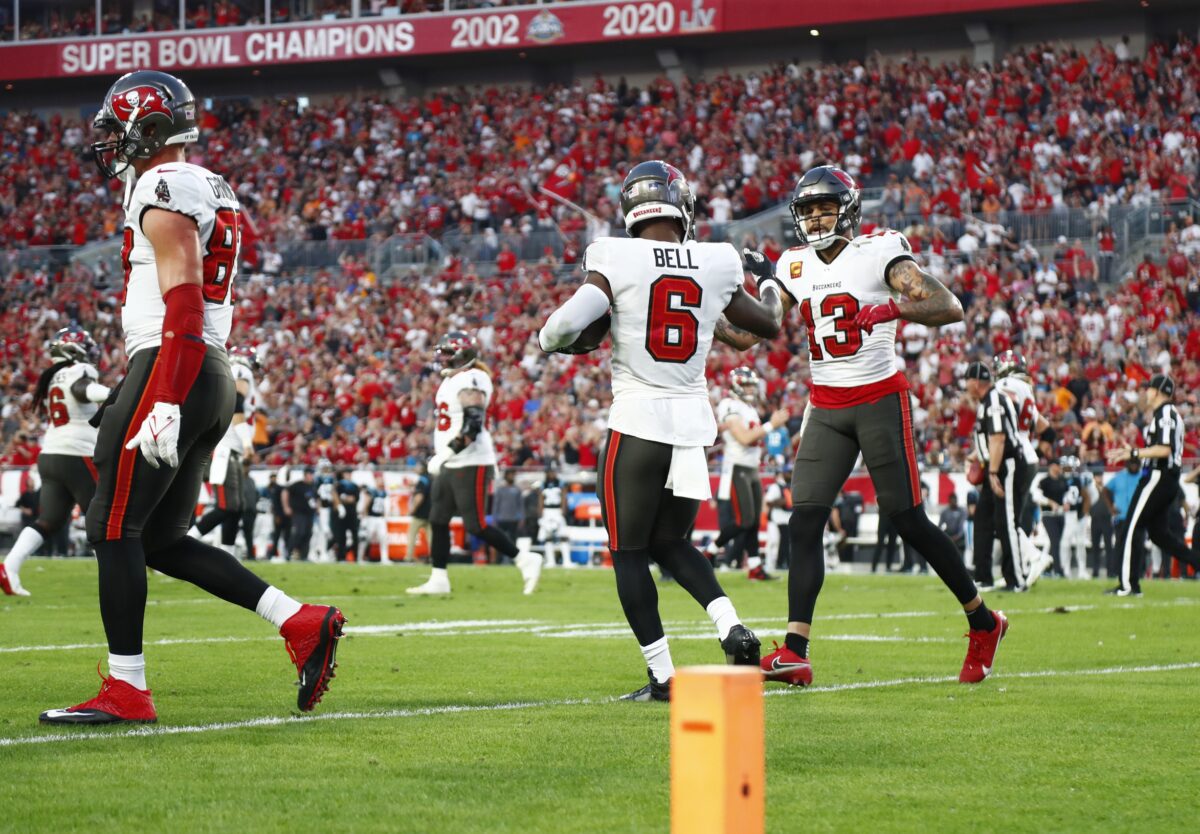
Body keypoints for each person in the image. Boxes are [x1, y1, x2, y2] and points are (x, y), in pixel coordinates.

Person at [40, 71, 343, 726]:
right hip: (209, 369)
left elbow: (181, 298)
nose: (107, 140)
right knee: (161, 538)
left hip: (175, 362)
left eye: (116, 126)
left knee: (111, 525)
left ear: (145, 128)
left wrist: (164, 399)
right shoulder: (209, 184)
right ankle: (300, 620)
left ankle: (126, 689)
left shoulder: (161, 184)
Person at [716, 165, 1006, 686]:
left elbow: (948, 305)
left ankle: (983, 620)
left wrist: (891, 307)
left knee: (908, 520)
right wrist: (717, 309)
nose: (816, 217)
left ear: (847, 208)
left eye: (824, 206)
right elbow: (755, 331)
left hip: (878, 398)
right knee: (804, 520)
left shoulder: (877, 251)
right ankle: (797, 651)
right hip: (826, 405)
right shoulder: (794, 263)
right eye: (807, 210)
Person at [538, 159, 784, 700]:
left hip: (638, 421)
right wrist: (768, 279)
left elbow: (564, 324)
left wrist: (549, 341)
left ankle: (664, 676)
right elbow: (766, 324)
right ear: (682, 205)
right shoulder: (716, 260)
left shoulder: (612, 254)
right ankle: (731, 626)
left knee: (628, 551)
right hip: (692, 423)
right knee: (672, 541)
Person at [406, 332, 542, 595]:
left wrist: (444, 455)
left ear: (463, 355)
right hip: (452, 460)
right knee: (438, 518)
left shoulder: (472, 378)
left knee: (475, 524)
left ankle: (524, 559)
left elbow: (472, 426)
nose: (442, 357)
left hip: (471, 460)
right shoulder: (453, 379)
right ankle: (439, 578)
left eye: (448, 353)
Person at [1, 327, 109, 597]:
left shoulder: (51, 377)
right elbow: (82, 389)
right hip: (77, 453)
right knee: (104, 518)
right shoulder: (79, 371)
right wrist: (116, 394)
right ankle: (116, 578)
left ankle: (10, 567)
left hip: (51, 454)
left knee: (49, 520)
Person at [1105, 375, 1200, 595]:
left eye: (1149, 388)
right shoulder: (1167, 413)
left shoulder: (1165, 413)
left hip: (1159, 475)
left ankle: (1128, 586)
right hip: (1165, 477)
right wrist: (1135, 453)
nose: (1146, 392)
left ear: (1157, 391)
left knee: (1131, 526)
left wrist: (1134, 453)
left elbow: (1164, 449)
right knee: (1159, 535)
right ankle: (1196, 561)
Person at [709, 366, 788, 579]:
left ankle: (754, 567)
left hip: (751, 467)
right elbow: (744, 438)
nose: (751, 389)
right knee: (744, 520)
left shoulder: (748, 408)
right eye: (746, 385)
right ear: (736, 385)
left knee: (753, 521)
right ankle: (710, 550)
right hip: (737, 467)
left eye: (752, 385)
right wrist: (771, 425)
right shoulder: (729, 404)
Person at [992, 350, 1055, 582]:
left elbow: (1002, 416)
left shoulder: (1006, 385)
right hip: (1026, 455)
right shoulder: (1026, 388)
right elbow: (1047, 429)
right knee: (1008, 518)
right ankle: (1019, 568)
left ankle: (1032, 556)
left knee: (1005, 520)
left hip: (1013, 455)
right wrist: (1036, 451)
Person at [188, 344, 257, 555]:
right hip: (226, 449)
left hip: (229, 450)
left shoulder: (227, 371)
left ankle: (228, 556)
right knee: (226, 506)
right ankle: (181, 546)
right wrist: (247, 443)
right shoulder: (240, 371)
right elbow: (236, 405)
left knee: (236, 507)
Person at [967, 362, 1029, 593]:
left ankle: (1016, 579)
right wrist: (976, 457)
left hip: (1006, 466)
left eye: (967, 382)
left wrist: (992, 472)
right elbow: (990, 439)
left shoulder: (993, 401)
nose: (966, 387)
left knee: (1006, 522)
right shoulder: (988, 401)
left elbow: (999, 438)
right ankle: (983, 576)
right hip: (994, 465)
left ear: (974, 382)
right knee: (982, 519)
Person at [1059, 456, 1096, 579]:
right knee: (1065, 543)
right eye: (1064, 467)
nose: (1066, 470)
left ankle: (1082, 570)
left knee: (1080, 543)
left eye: (1068, 467)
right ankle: (1066, 570)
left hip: (1078, 514)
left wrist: (1084, 513)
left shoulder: (1080, 479)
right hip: (1067, 515)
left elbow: (1087, 496)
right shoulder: (1060, 479)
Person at [1037, 460, 1069, 577]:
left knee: (1056, 542)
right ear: (1052, 466)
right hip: (1048, 514)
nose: (1059, 468)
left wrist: (1067, 503)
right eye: (1057, 465)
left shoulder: (1062, 480)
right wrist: (1050, 503)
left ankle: (1047, 568)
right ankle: (1058, 570)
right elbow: (1037, 496)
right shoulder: (1044, 481)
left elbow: (1067, 495)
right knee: (1055, 541)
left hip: (1060, 514)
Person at [282, 467, 318, 561]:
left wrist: (318, 508)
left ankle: (304, 556)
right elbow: (285, 492)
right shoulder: (297, 485)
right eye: (309, 474)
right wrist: (286, 507)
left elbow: (316, 498)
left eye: (312, 475)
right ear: (305, 475)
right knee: (299, 532)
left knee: (308, 534)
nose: (311, 477)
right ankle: (288, 553)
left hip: (309, 514)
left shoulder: (313, 486)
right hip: (298, 513)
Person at [537, 466, 568, 568]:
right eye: (550, 472)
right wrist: (541, 513)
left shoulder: (560, 483)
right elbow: (541, 498)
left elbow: (564, 496)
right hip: (547, 510)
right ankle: (551, 561)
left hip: (557, 510)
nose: (552, 474)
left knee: (563, 535)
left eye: (554, 472)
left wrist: (563, 510)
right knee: (548, 536)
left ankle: (566, 561)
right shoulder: (543, 484)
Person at [491, 469, 525, 563]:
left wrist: (521, 518)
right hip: (502, 519)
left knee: (513, 540)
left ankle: (510, 560)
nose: (512, 477)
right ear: (505, 476)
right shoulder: (500, 489)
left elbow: (520, 505)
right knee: (501, 540)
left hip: (513, 519)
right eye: (510, 475)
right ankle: (500, 560)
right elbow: (496, 504)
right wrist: (494, 518)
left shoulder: (517, 490)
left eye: (513, 475)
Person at [359, 470, 390, 563]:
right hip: (371, 517)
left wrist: (384, 514)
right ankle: (360, 557)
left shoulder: (383, 492)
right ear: (376, 480)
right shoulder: (371, 491)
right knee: (366, 538)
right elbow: (366, 503)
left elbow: (383, 504)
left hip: (380, 518)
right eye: (379, 479)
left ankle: (384, 558)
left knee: (383, 537)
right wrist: (364, 516)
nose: (381, 481)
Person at [763, 469, 792, 572]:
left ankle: (785, 562)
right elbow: (768, 502)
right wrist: (782, 501)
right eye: (788, 472)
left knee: (786, 541)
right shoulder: (776, 487)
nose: (790, 475)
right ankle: (780, 563)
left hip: (789, 517)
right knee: (778, 541)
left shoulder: (791, 486)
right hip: (779, 517)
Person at [330, 467, 361, 562]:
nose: (348, 475)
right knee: (341, 536)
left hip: (352, 513)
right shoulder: (338, 485)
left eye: (349, 473)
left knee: (355, 535)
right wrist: (346, 499)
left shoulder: (354, 486)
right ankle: (341, 557)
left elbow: (354, 499)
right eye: (347, 473)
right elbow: (337, 497)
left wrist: (345, 498)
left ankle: (355, 557)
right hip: (341, 514)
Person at [1089, 470, 1114, 579]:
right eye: (1097, 477)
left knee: (1109, 547)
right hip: (1095, 520)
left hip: (1107, 520)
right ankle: (1095, 570)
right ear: (1094, 478)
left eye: (1100, 476)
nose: (1099, 479)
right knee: (1095, 547)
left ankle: (1110, 570)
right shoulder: (1090, 490)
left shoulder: (1107, 490)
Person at [405, 461, 431, 562]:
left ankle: (409, 557)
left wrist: (412, 510)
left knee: (411, 535)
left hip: (420, 513)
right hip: (430, 512)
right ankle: (434, 556)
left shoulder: (422, 480)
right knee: (431, 538)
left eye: (417, 466)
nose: (415, 468)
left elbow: (419, 497)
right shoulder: (430, 479)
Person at [939, 490, 967, 556]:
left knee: (959, 556)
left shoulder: (962, 511)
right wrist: (943, 536)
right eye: (951, 501)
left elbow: (961, 527)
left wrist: (955, 537)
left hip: (959, 538)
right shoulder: (945, 512)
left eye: (955, 500)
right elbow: (939, 526)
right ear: (949, 501)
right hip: (948, 536)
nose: (953, 502)